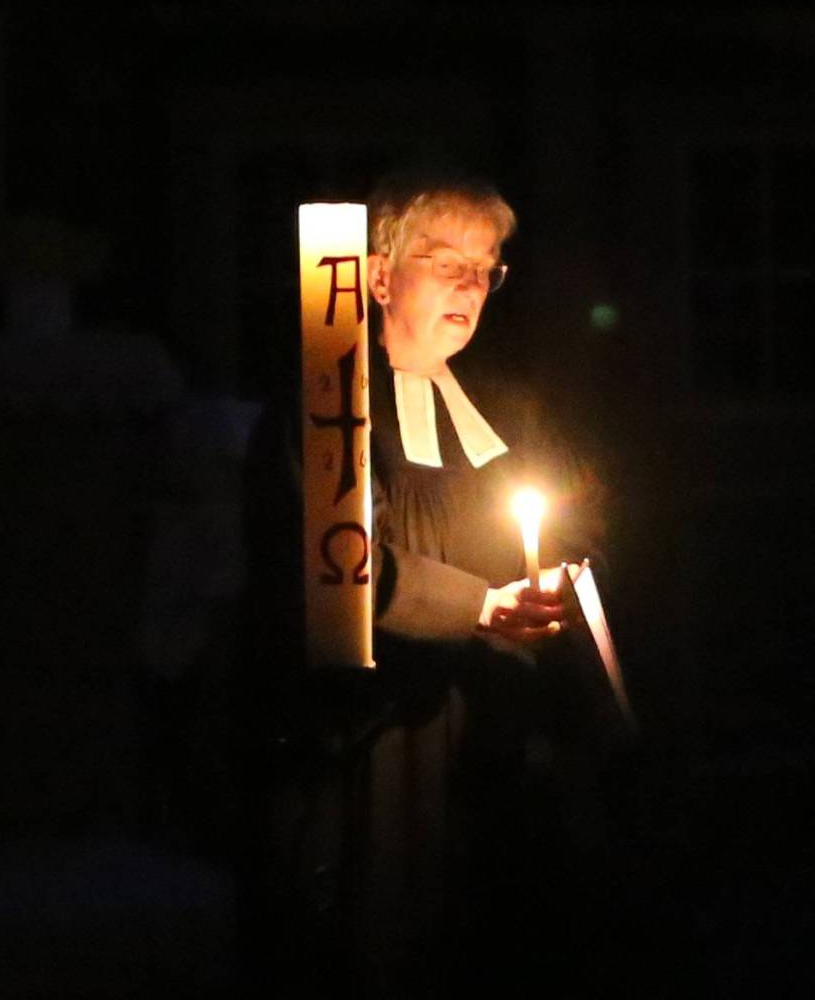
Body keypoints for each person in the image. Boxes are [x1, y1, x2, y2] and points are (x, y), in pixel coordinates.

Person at [239, 169, 609, 997]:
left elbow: (579, 514)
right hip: (379, 733)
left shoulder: (509, 406)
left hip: (499, 722)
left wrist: (559, 574)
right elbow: (336, 561)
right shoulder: (327, 406)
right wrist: (480, 605)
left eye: (487, 267)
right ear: (375, 276)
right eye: (448, 261)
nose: (472, 285)